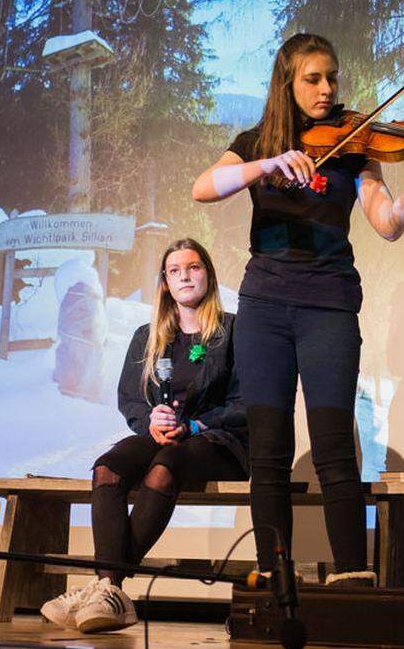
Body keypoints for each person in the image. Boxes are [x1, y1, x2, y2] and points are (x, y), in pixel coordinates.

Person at [191, 33, 404, 586]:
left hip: (329, 305)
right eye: (313, 78)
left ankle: (350, 579)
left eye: (332, 77)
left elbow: (388, 224)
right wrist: (263, 164)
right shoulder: (254, 143)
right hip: (265, 305)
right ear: (287, 84)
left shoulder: (357, 145)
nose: (327, 89)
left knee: (335, 447)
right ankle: (273, 579)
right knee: (268, 449)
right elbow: (203, 187)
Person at [40, 238, 247, 632]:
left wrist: (196, 425)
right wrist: (150, 421)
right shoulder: (147, 336)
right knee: (107, 467)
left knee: (165, 466)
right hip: (162, 437)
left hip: (219, 440)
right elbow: (129, 398)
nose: (185, 275)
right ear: (165, 283)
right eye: (175, 270)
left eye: (193, 267)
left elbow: (245, 402)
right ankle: (110, 589)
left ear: (209, 274)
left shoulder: (234, 330)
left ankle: (106, 587)